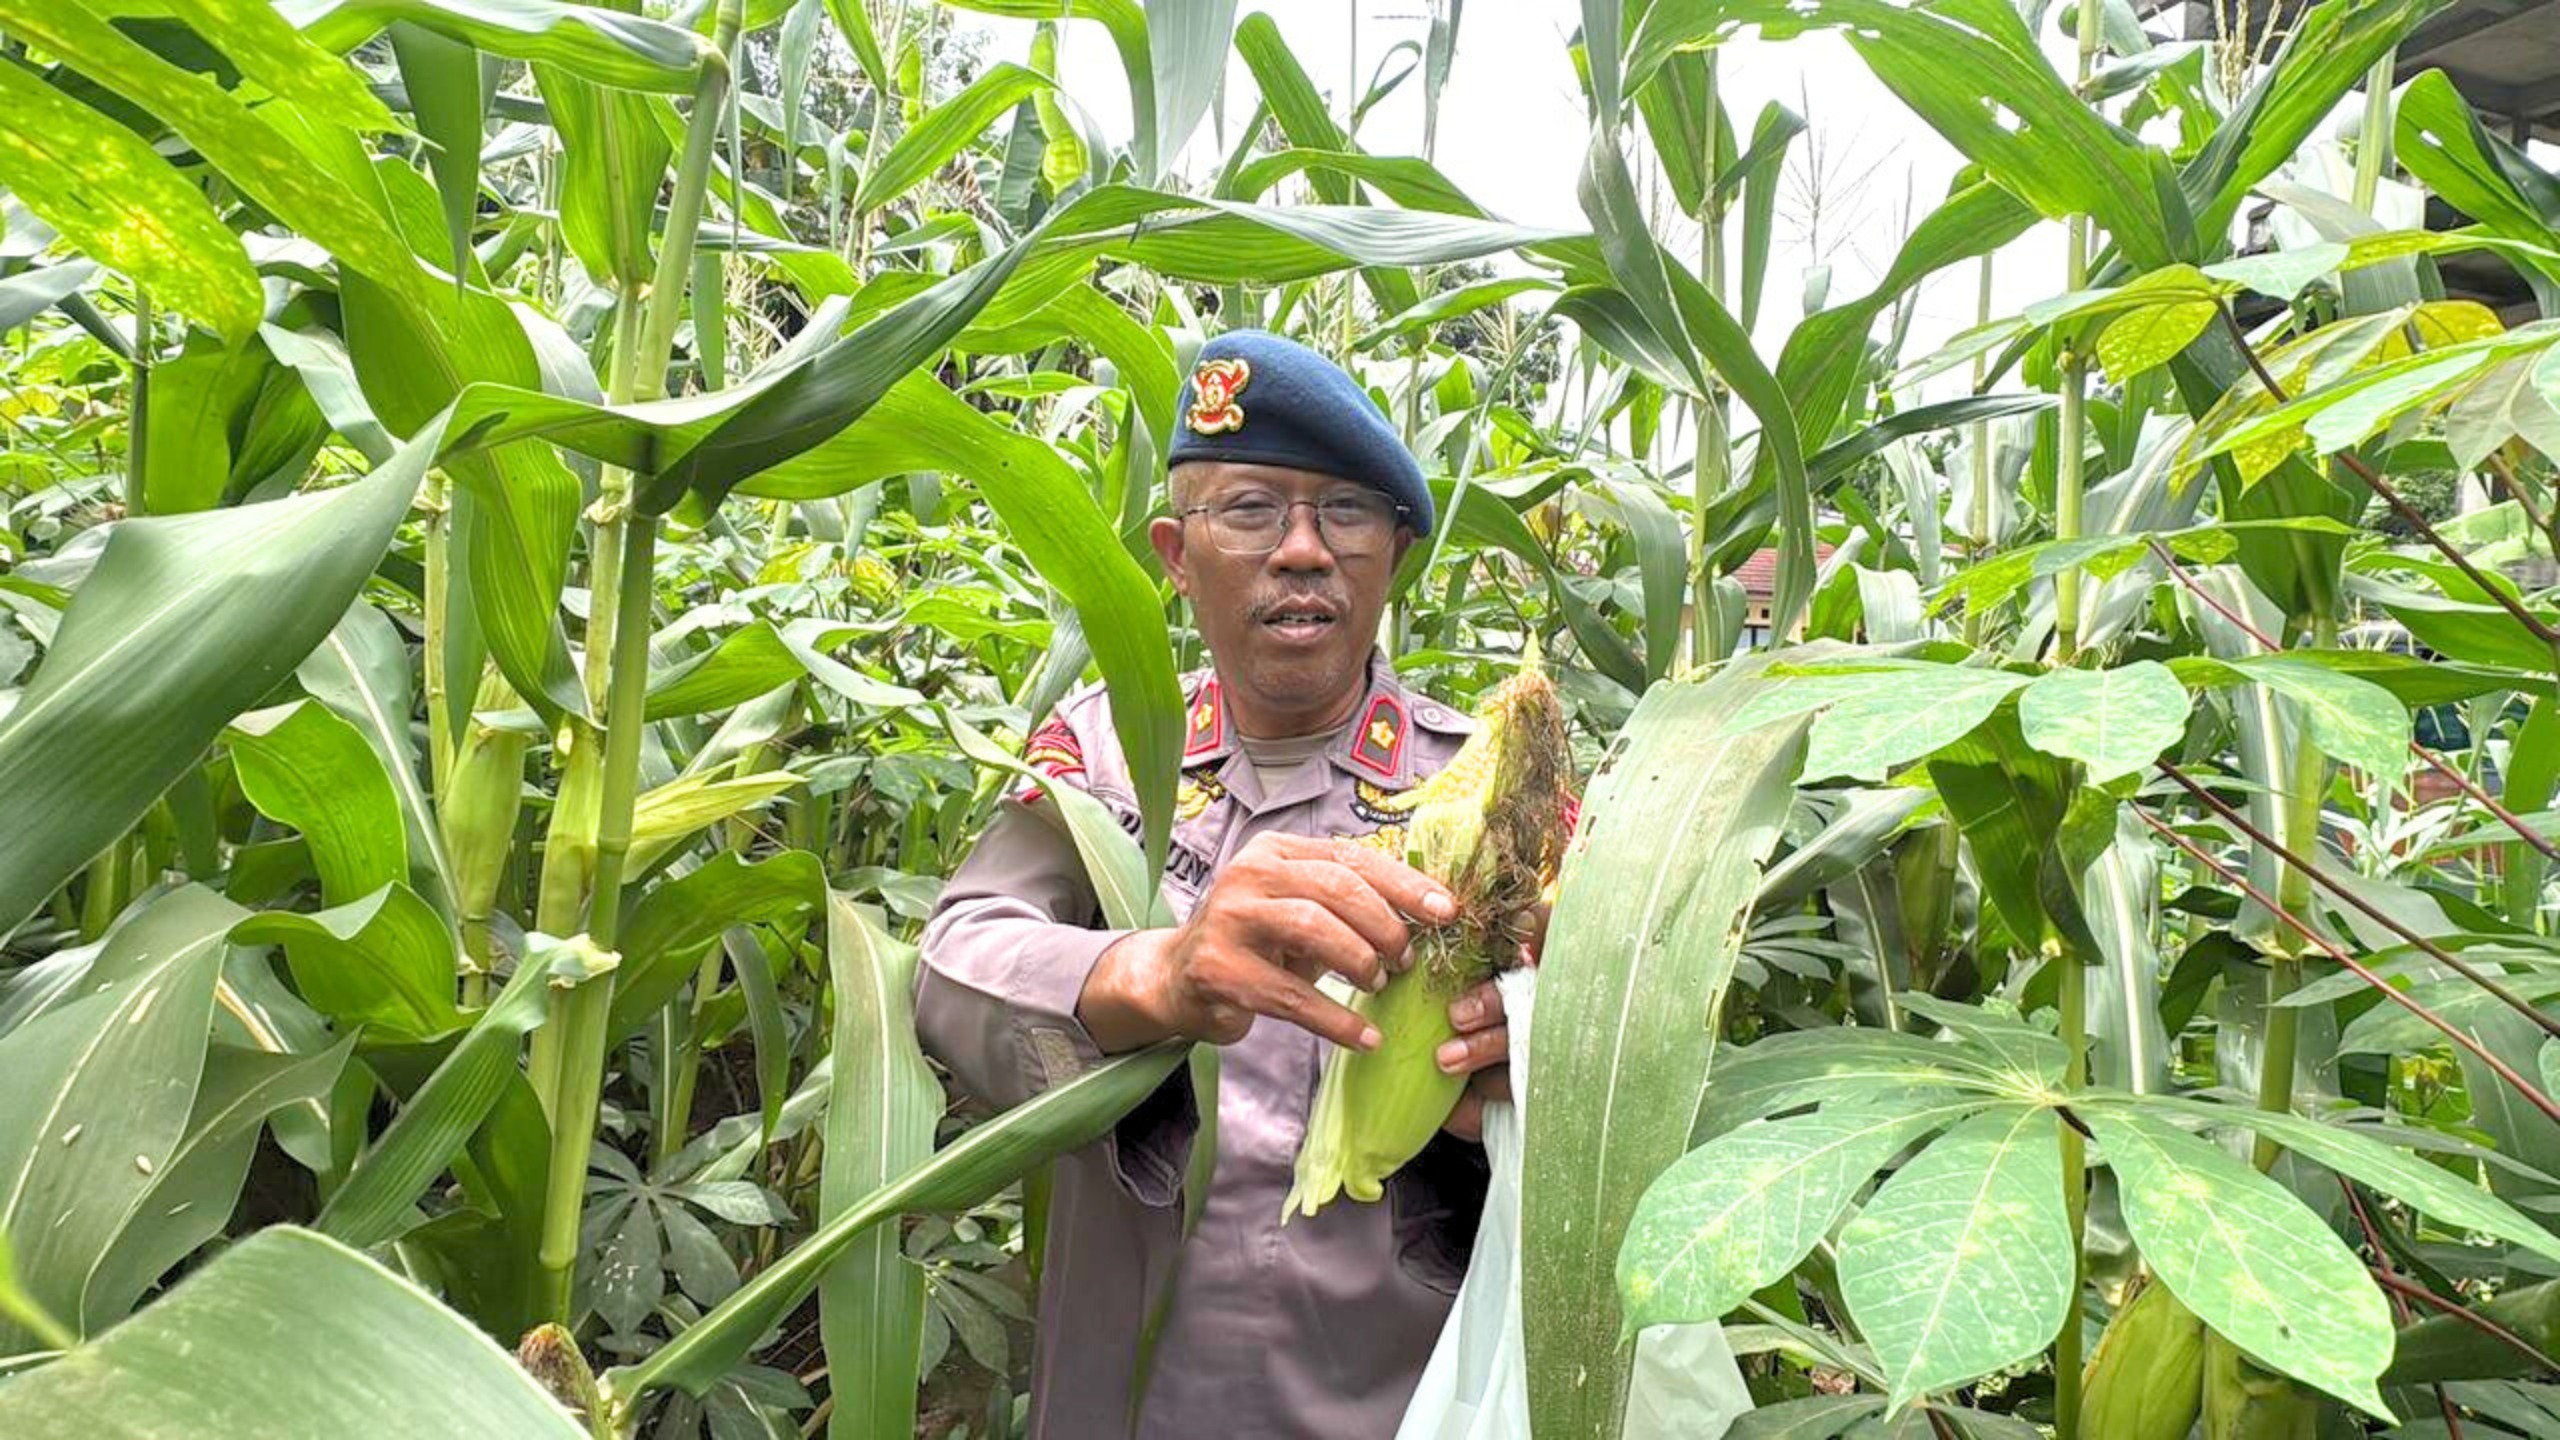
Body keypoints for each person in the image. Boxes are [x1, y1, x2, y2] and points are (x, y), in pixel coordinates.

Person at [915, 330, 1550, 1438]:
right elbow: (952, 963)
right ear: (1174, 550)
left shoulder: (1492, 797)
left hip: (1394, 1398)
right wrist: (1151, 971)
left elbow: (1612, 1090)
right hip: (1123, 1393)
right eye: (1252, 510)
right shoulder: (1104, 758)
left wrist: (1530, 1052)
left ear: (1396, 553)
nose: (1302, 551)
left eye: (1347, 513)